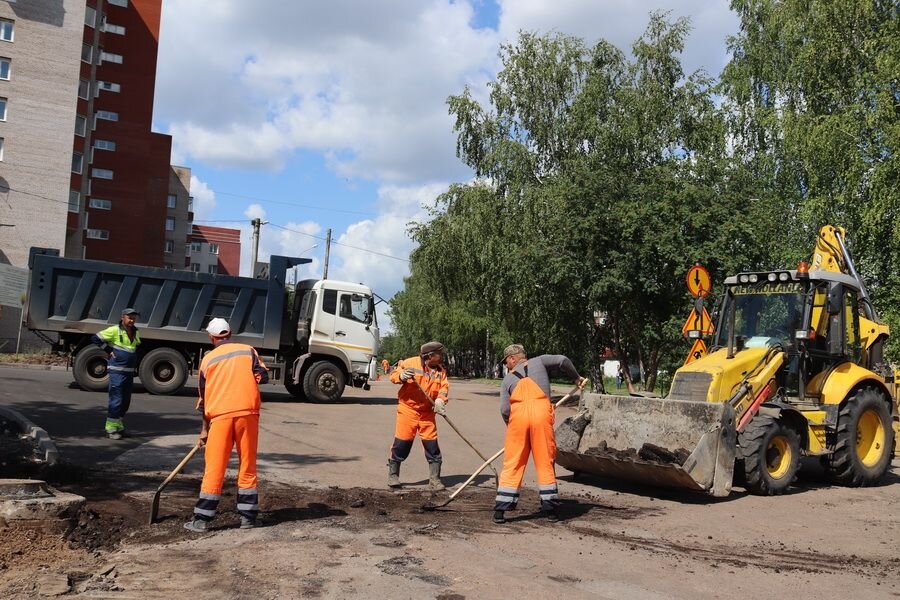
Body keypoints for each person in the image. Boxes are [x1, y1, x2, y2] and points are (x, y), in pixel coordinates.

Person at [184, 318, 269, 533]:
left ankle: (202, 520)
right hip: (247, 414)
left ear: (212, 338)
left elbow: (203, 399)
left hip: (220, 418)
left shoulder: (208, 360)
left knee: (214, 467)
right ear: (230, 333)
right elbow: (263, 376)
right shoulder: (248, 351)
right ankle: (248, 518)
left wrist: (204, 429)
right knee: (247, 465)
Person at [493, 344, 585, 524]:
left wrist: (512, 429)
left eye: (506, 362)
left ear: (513, 358)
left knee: (513, 463)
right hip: (541, 415)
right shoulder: (540, 361)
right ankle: (550, 510)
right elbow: (563, 361)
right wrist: (576, 377)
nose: (507, 366)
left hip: (517, 419)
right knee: (545, 461)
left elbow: (505, 409)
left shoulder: (507, 380)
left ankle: (500, 511)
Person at [387, 341, 449, 490]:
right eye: (439, 354)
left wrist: (440, 400)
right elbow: (393, 375)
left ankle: (434, 480)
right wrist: (401, 375)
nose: (441, 357)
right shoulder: (410, 363)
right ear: (430, 355)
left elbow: (444, 387)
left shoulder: (441, 371)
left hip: (427, 412)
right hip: (409, 409)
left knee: (432, 445)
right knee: (402, 443)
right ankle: (393, 475)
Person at [91, 308, 142, 440]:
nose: (132, 320)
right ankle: (110, 429)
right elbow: (95, 338)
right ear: (122, 317)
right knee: (116, 399)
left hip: (129, 373)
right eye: (129, 317)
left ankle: (118, 426)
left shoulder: (136, 332)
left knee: (125, 401)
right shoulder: (114, 330)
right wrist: (108, 350)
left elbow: (134, 349)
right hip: (117, 372)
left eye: (134, 318)